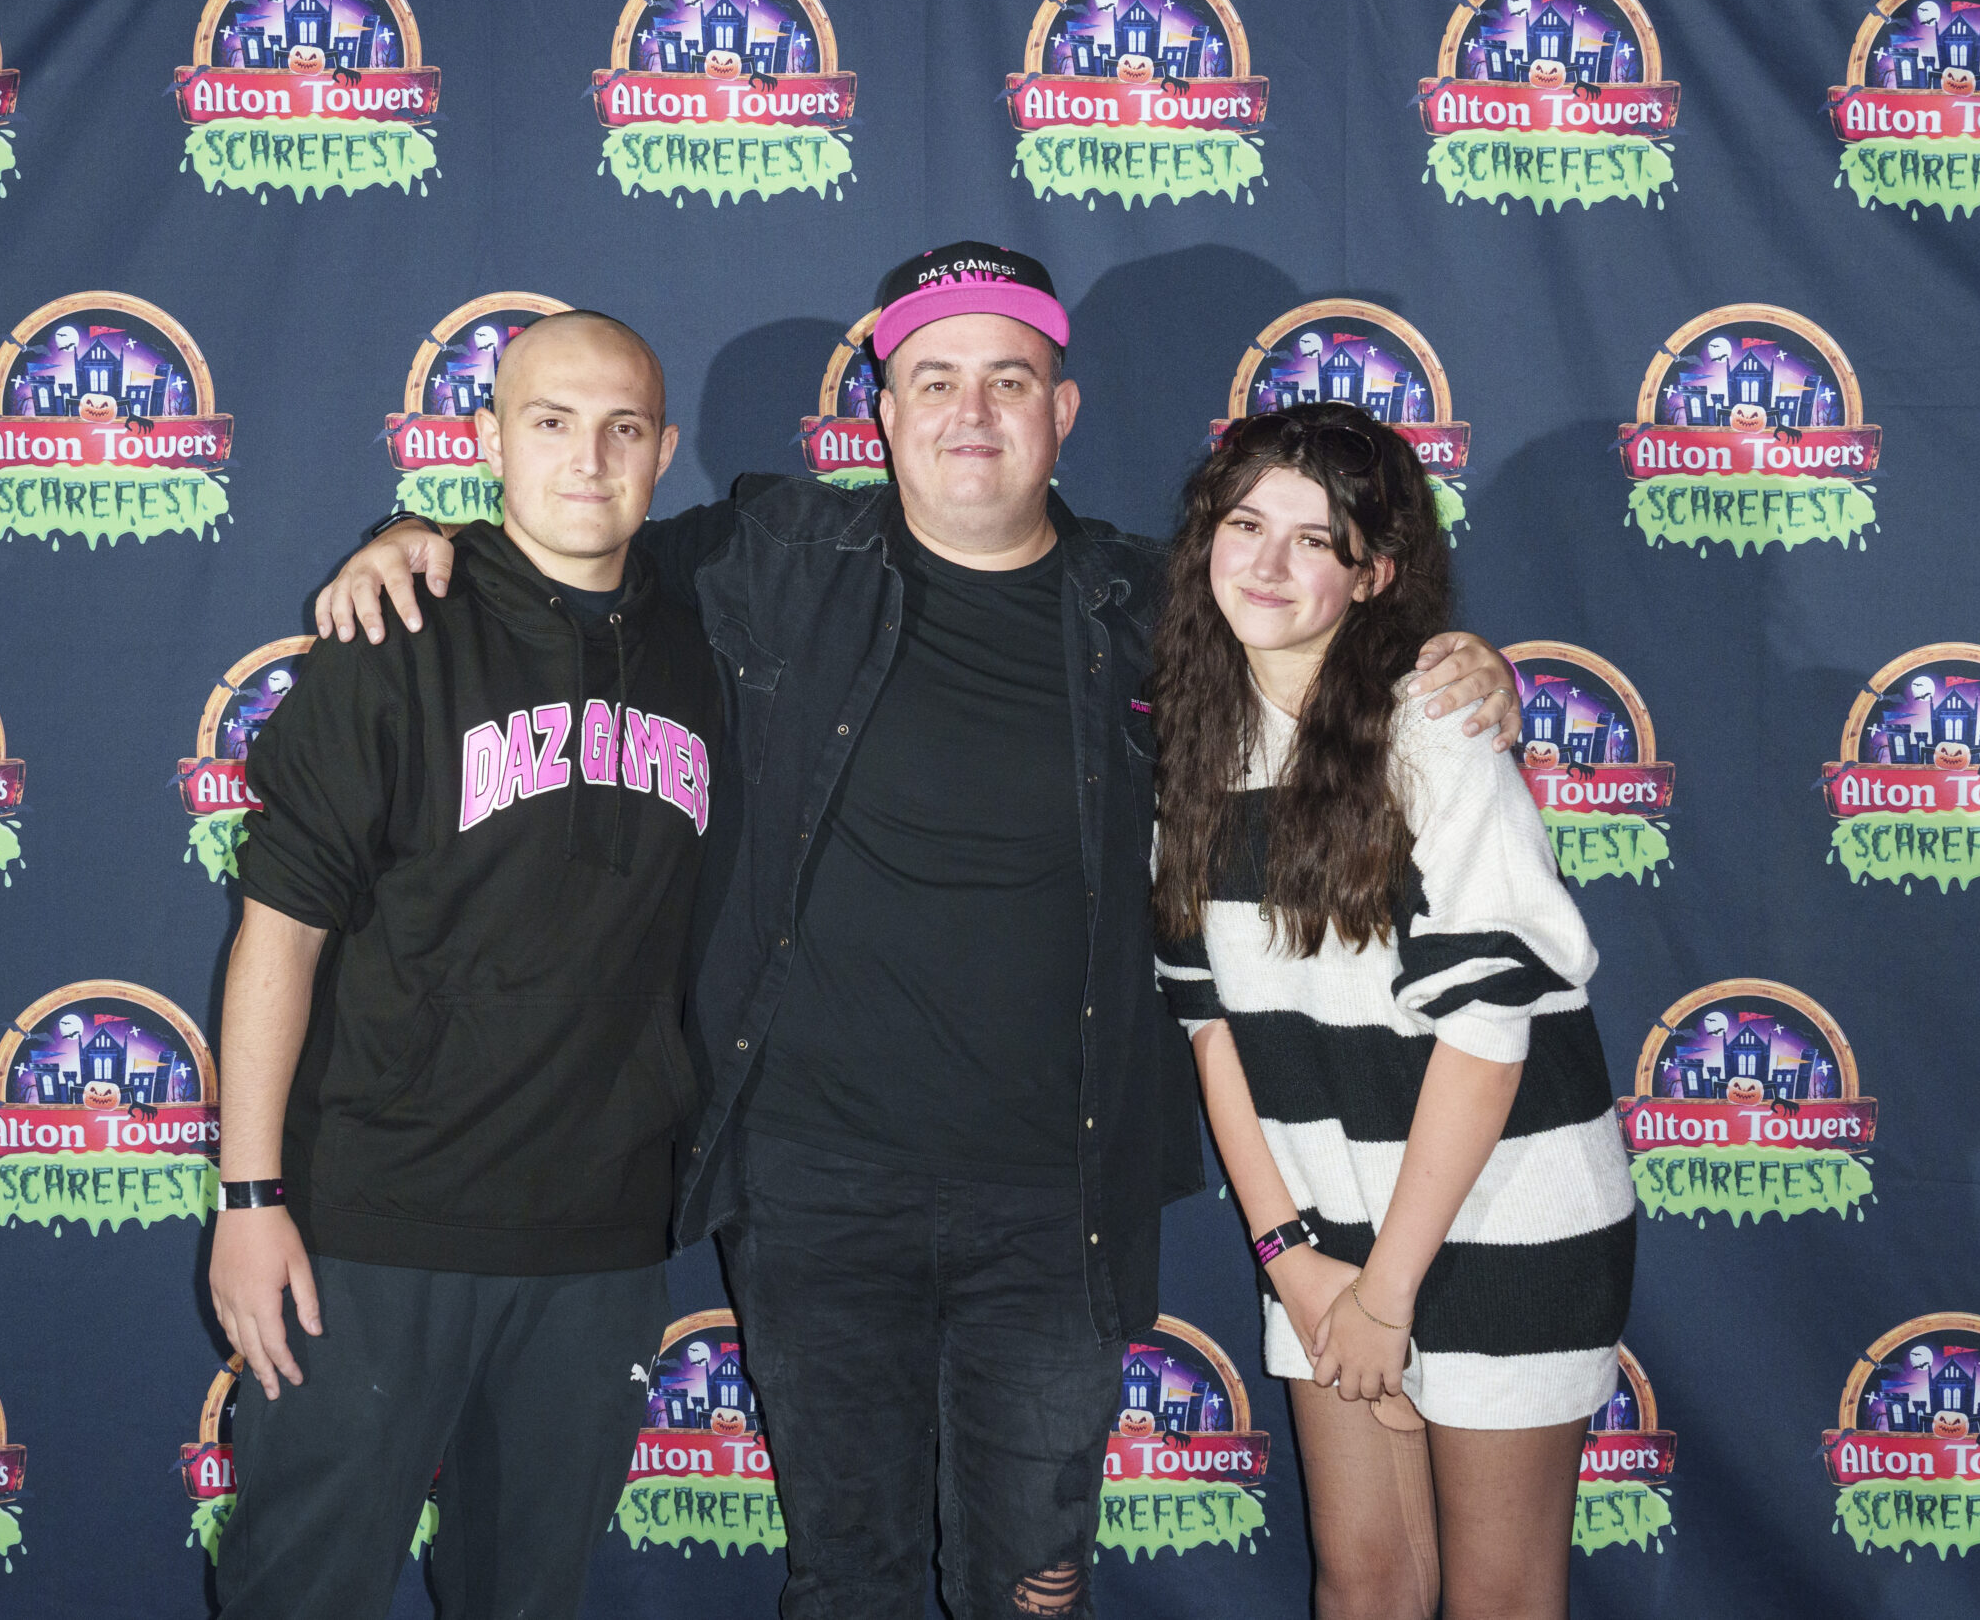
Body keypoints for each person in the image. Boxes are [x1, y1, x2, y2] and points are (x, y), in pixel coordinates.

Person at [313, 243, 1523, 1618]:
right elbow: (565, 555)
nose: (970, 410)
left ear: (1061, 413)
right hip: (815, 1188)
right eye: (932, 378)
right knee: (851, 1576)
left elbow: (1330, 647)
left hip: (1053, 1198)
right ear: (880, 415)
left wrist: (1450, 655)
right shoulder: (771, 553)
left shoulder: (1154, 607)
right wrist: (422, 539)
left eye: (1009, 379)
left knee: (1030, 1585)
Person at [205, 311, 721, 1620]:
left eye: (622, 428)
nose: (588, 459)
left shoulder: (720, 639)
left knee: (526, 1595)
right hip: (375, 1225)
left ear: (665, 449)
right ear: (488, 439)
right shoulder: (398, 631)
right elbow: (281, 929)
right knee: (298, 1588)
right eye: (550, 422)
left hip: (599, 1237)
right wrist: (251, 1192)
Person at [1148, 402, 1635, 1620]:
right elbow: (1210, 1030)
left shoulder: (1436, 729)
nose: (1264, 562)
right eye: (1245, 522)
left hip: (1498, 1225)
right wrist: (1294, 1264)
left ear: (1373, 574)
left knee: (1495, 1598)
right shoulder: (1189, 755)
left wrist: (1389, 1291)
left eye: (1315, 540)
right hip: (1322, 1241)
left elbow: (1487, 1036)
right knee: (1362, 1585)